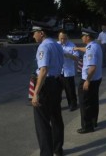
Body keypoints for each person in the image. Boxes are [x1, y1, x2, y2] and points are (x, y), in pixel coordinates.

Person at [31, 23, 64, 156]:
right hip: (57, 82)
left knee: (42, 122)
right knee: (56, 117)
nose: (33, 36)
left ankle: (46, 153)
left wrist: (36, 93)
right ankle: (58, 149)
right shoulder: (57, 45)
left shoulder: (43, 46)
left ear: (42, 33)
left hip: (46, 84)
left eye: (35, 33)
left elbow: (43, 70)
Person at [74, 28, 103, 134]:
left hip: (89, 79)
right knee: (94, 101)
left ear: (88, 37)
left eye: (83, 36)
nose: (82, 38)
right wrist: (77, 48)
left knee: (84, 103)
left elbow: (92, 67)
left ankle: (87, 126)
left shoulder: (91, 48)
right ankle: (93, 121)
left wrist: (87, 80)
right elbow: (86, 50)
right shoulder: (94, 45)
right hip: (97, 79)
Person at [57, 31, 79, 111]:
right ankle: (57, 106)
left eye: (64, 38)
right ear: (58, 38)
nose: (62, 40)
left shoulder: (72, 45)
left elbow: (77, 58)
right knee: (57, 91)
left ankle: (73, 104)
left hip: (68, 72)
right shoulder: (56, 45)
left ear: (67, 38)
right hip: (58, 72)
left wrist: (69, 55)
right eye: (61, 38)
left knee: (70, 90)